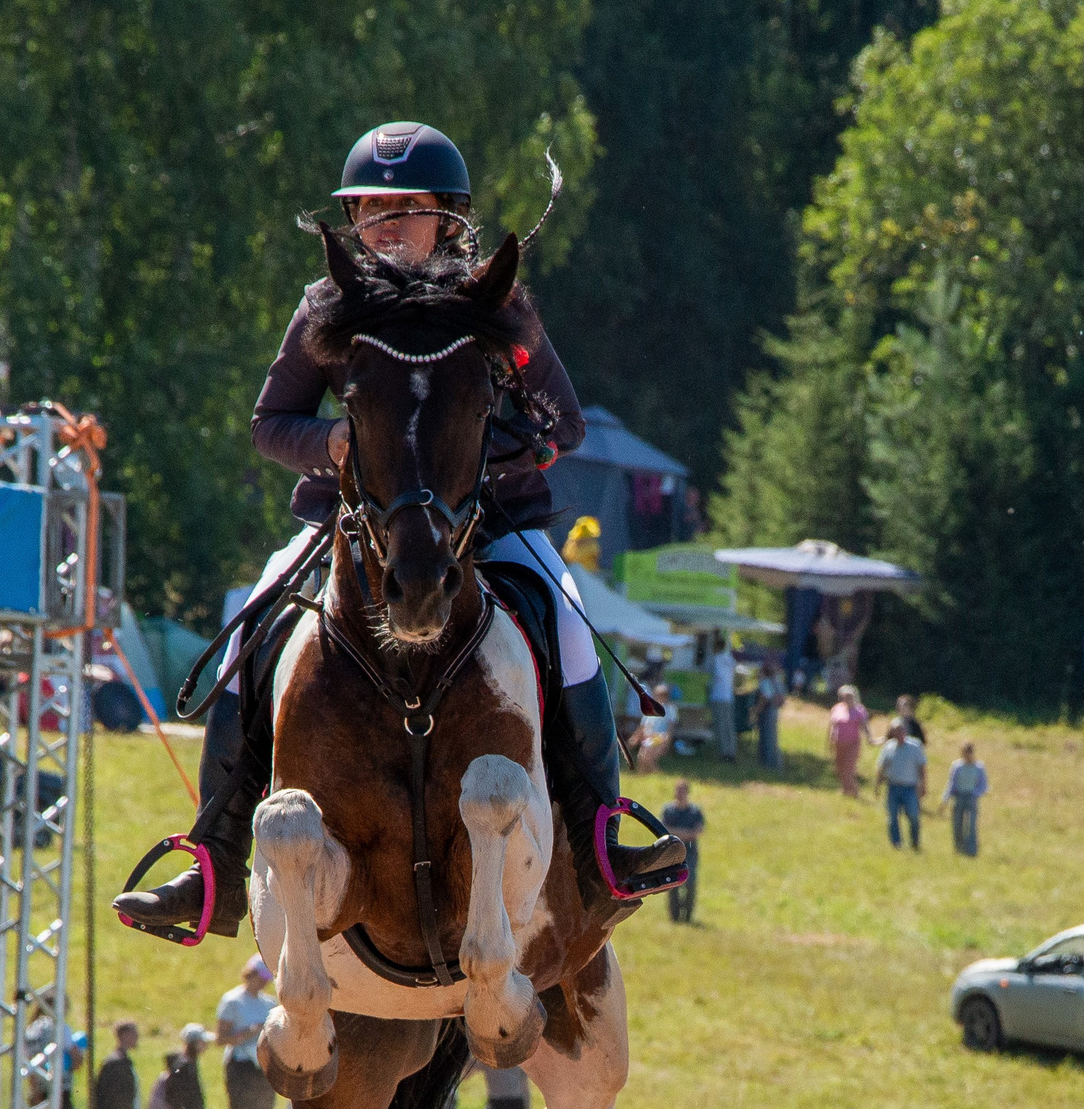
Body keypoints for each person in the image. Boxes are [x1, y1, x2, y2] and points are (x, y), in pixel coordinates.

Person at [113, 120, 685, 945]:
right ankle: (212, 863)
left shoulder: (494, 303)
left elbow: (562, 426)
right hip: (355, 527)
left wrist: (465, 464)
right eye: (368, 209)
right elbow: (270, 422)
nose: (382, 224)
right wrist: (333, 443)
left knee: (567, 619)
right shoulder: (329, 306)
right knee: (252, 628)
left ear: (447, 217)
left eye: (403, 208)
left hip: (485, 525)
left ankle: (603, 837)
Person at [216, 955, 279, 1109]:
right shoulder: (232, 1001)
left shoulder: (270, 1003)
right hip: (240, 1062)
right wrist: (249, 1033)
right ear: (250, 974)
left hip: (262, 1065)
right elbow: (221, 1038)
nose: (264, 983)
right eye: (261, 978)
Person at [93, 1020, 147, 1109]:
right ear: (124, 1036)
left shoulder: (122, 1060)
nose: (137, 1038)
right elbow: (109, 1093)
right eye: (134, 1034)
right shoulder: (115, 1062)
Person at [875, 720, 927, 850]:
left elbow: (922, 767)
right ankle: (896, 843)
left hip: (910, 787)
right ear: (892, 732)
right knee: (892, 817)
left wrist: (923, 785)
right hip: (893, 786)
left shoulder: (915, 746)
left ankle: (915, 842)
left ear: (906, 731)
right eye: (896, 731)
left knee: (913, 816)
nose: (899, 733)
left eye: (901, 730)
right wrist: (877, 784)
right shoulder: (888, 747)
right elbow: (882, 766)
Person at [661, 779, 706, 923]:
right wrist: (686, 833)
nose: (679, 794)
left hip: (690, 853)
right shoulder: (668, 810)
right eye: (678, 790)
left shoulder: (694, 811)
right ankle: (674, 916)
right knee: (672, 884)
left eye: (682, 791)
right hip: (672, 853)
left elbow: (699, 831)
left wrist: (678, 833)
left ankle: (687, 916)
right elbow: (664, 829)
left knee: (690, 884)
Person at [941, 741, 988, 857]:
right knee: (957, 823)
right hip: (959, 796)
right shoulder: (957, 766)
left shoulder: (979, 767)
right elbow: (952, 783)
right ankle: (959, 848)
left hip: (972, 797)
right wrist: (945, 798)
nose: (967, 756)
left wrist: (975, 793)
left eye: (969, 753)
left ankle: (971, 850)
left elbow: (983, 785)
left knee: (971, 824)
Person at [633, 661, 678, 773]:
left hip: (660, 736)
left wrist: (668, 738)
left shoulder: (669, 709)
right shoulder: (651, 709)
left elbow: (671, 725)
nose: (662, 698)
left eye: (664, 695)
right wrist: (636, 736)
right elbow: (644, 724)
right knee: (641, 757)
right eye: (659, 695)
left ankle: (658, 776)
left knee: (648, 757)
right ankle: (642, 777)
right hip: (649, 736)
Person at [828, 685, 870, 797]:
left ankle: (855, 792)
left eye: (850, 697)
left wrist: (869, 738)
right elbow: (833, 725)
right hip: (839, 743)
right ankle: (845, 790)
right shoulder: (837, 708)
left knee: (848, 769)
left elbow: (864, 726)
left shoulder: (859, 710)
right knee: (839, 768)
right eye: (845, 697)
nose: (847, 699)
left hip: (852, 744)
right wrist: (830, 740)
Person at [707, 636, 738, 762]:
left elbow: (711, 676)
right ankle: (732, 751)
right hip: (728, 696)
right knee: (729, 725)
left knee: (720, 725)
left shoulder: (716, 659)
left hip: (718, 695)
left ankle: (724, 753)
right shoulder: (730, 659)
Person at [756, 659, 785, 771]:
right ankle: (775, 763)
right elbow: (782, 701)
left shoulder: (765, 683)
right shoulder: (778, 683)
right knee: (773, 738)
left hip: (766, 712)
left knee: (766, 738)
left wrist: (757, 711)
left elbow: (764, 698)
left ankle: (767, 764)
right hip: (775, 712)